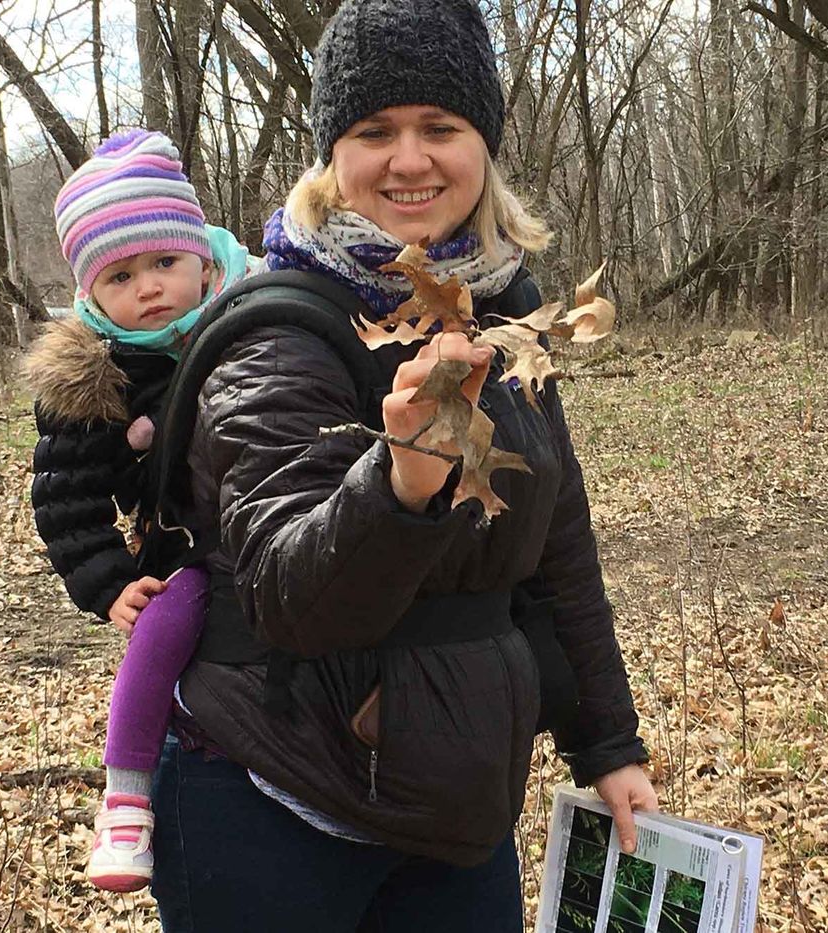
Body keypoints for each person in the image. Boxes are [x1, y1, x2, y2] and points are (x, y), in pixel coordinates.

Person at [150, 0, 658, 929]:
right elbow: (286, 597)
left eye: (441, 127)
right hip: (271, 799)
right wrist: (399, 485)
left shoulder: (505, 313)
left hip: (454, 814)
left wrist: (607, 744)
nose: (410, 159)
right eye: (375, 130)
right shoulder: (277, 332)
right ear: (331, 155)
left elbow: (559, 552)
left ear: (485, 145)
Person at [23, 128, 262, 892]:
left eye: (165, 261)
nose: (150, 286)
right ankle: (126, 795)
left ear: (201, 254)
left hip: (280, 518)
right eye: (122, 275)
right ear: (92, 292)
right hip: (188, 544)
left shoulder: (255, 313)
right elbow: (66, 494)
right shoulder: (96, 375)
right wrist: (106, 580)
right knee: (165, 623)